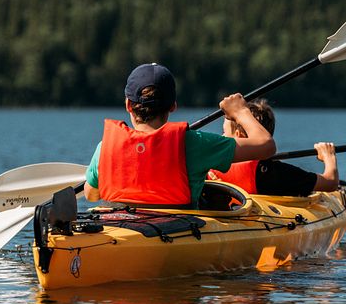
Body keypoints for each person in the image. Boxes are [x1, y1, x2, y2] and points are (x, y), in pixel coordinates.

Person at [83, 63, 276, 208]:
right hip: (177, 233)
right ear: (173, 106)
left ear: (128, 105)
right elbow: (266, 146)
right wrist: (240, 111)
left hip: (117, 231)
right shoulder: (195, 143)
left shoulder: (106, 148)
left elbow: (91, 195)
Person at [209, 99, 339, 196]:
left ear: (239, 135)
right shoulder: (275, 172)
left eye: (224, 132)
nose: (222, 136)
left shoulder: (210, 165)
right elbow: (331, 182)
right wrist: (329, 157)